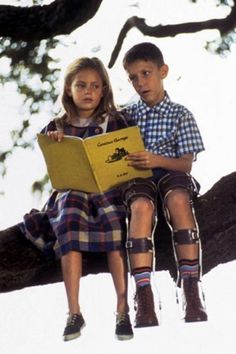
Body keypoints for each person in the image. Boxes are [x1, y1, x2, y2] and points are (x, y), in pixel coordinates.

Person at [19, 57, 134, 341]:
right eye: (81, 85)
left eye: (95, 86)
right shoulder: (57, 125)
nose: (88, 91)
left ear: (104, 90)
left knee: (116, 222)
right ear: (69, 89)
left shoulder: (116, 120)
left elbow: (128, 156)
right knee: (68, 216)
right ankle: (74, 311)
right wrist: (56, 141)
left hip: (108, 189)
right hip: (72, 190)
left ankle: (122, 308)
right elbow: (56, 168)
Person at [121, 42, 208, 327]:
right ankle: (144, 295)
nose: (139, 82)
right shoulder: (125, 115)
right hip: (139, 179)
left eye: (146, 73)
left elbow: (186, 164)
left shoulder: (180, 114)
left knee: (179, 201)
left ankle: (191, 289)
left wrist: (156, 159)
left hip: (172, 172)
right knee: (142, 207)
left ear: (163, 71)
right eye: (133, 77)